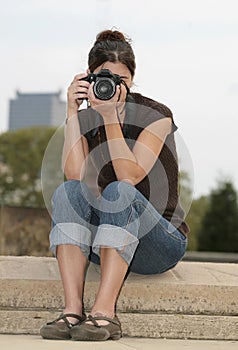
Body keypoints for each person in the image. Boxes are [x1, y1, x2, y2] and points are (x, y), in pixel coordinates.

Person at [40, 29, 189, 342]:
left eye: (119, 80)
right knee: (65, 192)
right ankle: (72, 312)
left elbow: (128, 176)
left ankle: (105, 314)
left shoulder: (156, 115)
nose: (110, 87)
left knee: (119, 192)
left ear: (131, 80)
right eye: (103, 78)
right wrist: (72, 111)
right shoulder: (83, 119)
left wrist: (110, 119)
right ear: (89, 78)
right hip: (105, 245)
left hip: (158, 243)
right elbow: (75, 178)